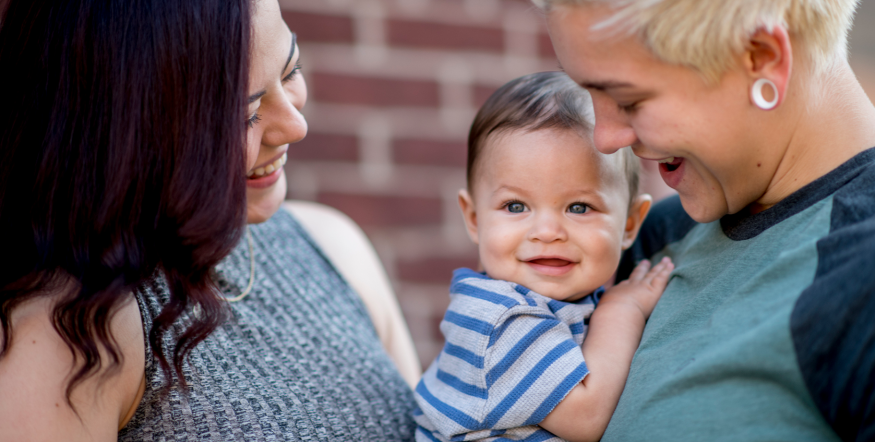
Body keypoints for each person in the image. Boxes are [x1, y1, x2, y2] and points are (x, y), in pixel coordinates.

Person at [536, 0, 875, 440]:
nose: (605, 138)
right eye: (589, 92)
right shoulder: (659, 236)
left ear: (762, 56)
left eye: (628, 99)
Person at [0, 0, 419, 440]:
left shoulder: (332, 246)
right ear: (127, 129)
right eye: (243, 115)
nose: (295, 126)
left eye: (291, 69)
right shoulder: (74, 332)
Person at [413, 72, 674, 442]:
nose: (548, 231)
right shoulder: (497, 318)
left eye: (579, 207)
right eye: (516, 205)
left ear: (630, 223)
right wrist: (623, 311)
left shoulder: (557, 304)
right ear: (474, 219)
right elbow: (586, 418)